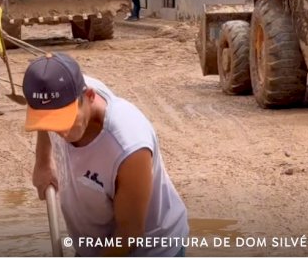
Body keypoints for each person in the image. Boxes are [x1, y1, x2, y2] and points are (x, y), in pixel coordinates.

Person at [23, 53, 189, 257]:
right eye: (52, 123)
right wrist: (43, 162)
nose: (62, 133)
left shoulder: (129, 147)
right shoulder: (59, 90)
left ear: (90, 97)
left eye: (65, 121)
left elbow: (129, 234)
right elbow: (44, 116)